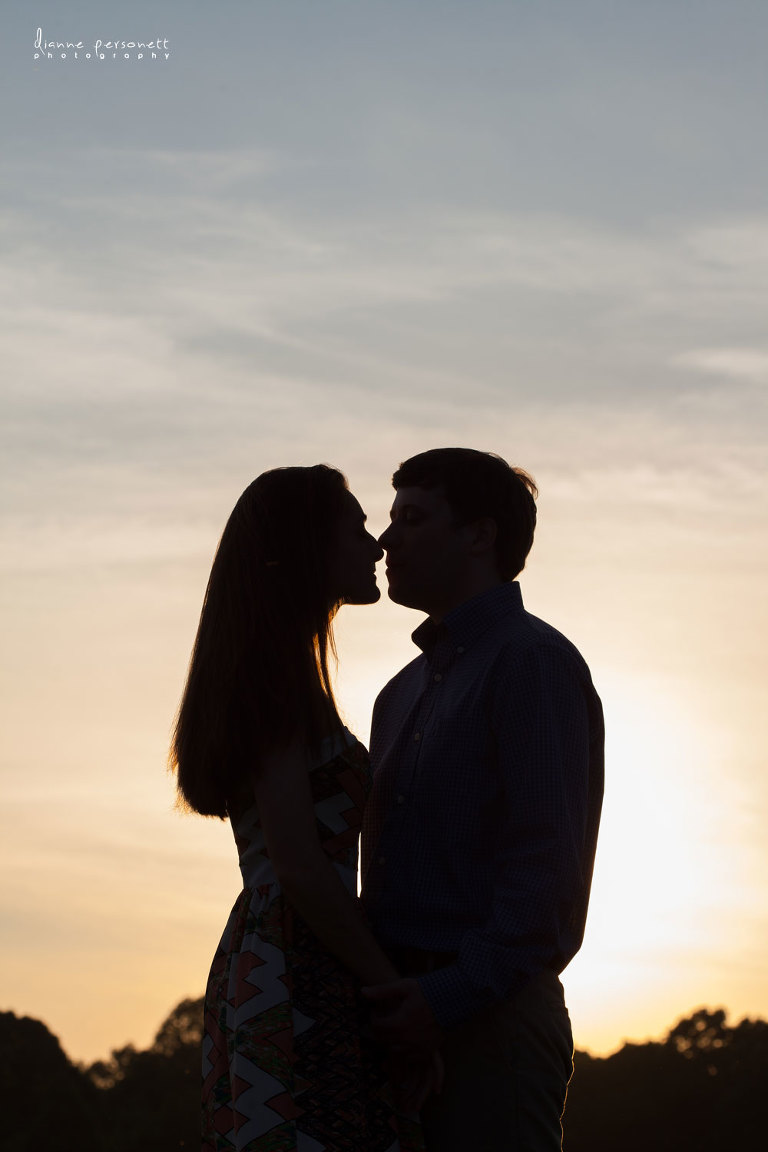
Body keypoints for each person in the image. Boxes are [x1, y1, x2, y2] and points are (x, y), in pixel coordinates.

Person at [170, 465, 432, 1152]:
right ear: (309, 546)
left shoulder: (281, 673)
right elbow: (300, 865)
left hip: (285, 958)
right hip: (294, 968)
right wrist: (395, 995)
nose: (376, 546)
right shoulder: (277, 680)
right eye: (356, 528)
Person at [360, 448, 604, 1152]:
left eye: (413, 518)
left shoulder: (533, 663)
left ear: (479, 535)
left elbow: (547, 871)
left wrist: (442, 1001)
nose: (387, 538)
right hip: (401, 1028)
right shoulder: (397, 694)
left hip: (490, 1026)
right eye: (389, 517)